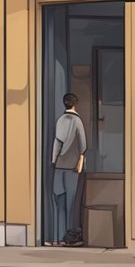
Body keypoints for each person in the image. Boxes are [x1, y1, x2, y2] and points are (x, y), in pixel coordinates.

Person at [49, 93, 87, 247]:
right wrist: (80, 161)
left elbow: (56, 144)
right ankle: (70, 236)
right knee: (72, 203)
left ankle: (56, 236)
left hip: (59, 165)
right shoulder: (77, 121)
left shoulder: (60, 120)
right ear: (75, 104)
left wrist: (54, 161)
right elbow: (83, 145)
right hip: (72, 168)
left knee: (59, 201)